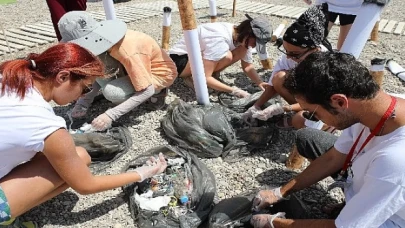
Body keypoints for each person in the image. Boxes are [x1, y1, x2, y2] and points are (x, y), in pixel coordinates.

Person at [0, 43, 168, 227]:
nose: (82, 96)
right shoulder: (45, 124)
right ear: (62, 77)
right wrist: (142, 173)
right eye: (86, 88)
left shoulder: (8, 78)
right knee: (78, 160)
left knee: (75, 156)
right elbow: (86, 186)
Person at [250, 52, 405, 228]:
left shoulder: (395, 159)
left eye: (313, 114)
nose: (313, 119)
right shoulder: (371, 106)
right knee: (308, 137)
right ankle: (357, 201)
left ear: (339, 101)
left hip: (395, 218)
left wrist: (273, 222)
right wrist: (280, 192)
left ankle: (361, 206)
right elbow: (334, 157)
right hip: (381, 179)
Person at [58, 11, 178, 131]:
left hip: (159, 74)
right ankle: (130, 84)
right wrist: (84, 101)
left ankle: (160, 91)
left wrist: (110, 115)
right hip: (132, 66)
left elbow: (147, 90)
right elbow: (96, 72)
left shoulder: (127, 51)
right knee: (96, 64)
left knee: (112, 92)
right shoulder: (108, 41)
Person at [243, 4, 334, 130]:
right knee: (279, 78)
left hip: (326, 106)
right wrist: (256, 106)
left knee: (301, 121)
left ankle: (324, 125)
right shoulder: (289, 57)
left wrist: (284, 108)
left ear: (313, 49)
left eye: (294, 54)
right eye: (286, 51)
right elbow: (272, 85)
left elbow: (321, 103)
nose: (288, 57)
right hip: (306, 96)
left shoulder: (327, 64)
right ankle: (300, 111)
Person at [169, 15, 272, 98]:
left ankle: (208, 78)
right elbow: (206, 76)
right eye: (255, 42)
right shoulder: (220, 39)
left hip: (196, 57)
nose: (254, 46)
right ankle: (193, 78)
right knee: (227, 56)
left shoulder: (240, 36)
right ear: (248, 33)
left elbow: (247, 66)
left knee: (241, 50)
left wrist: (260, 82)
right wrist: (233, 90)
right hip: (179, 61)